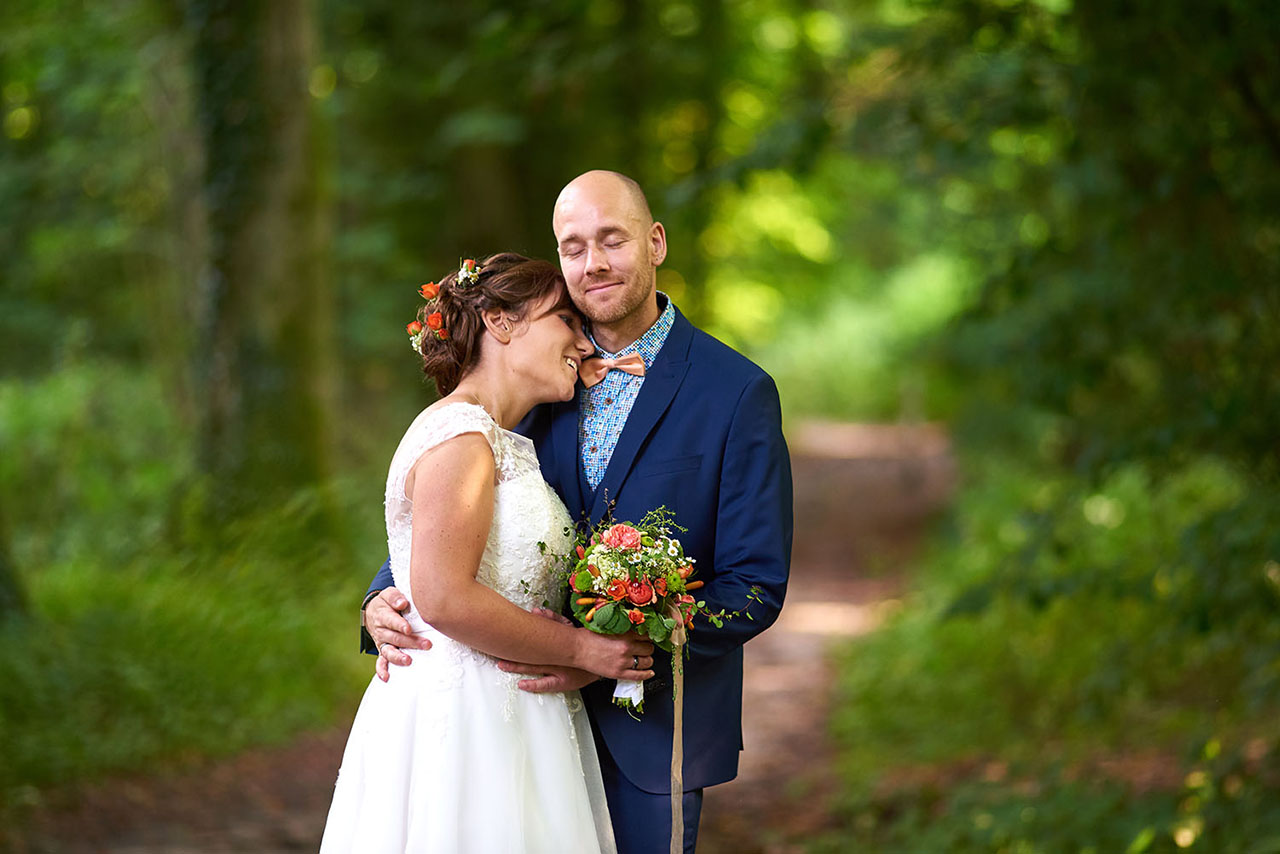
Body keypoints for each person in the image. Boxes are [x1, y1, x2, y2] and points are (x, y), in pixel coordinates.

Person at [364, 171, 794, 853]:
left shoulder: (735, 393)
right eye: (573, 247)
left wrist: (618, 652)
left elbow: (755, 586)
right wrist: (383, 594)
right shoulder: (534, 377)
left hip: (653, 733)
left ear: (654, 242)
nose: (592, 263)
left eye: (612, 240)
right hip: (515, 722)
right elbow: (457, 505)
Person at [320, 252, 657, 854]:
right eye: (564, 321)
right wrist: (586, 648)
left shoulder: (501, 439)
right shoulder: (460, 438)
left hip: (522, 715)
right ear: (501, 324)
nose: (583, 343)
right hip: (466, 726)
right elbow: (444, 597)